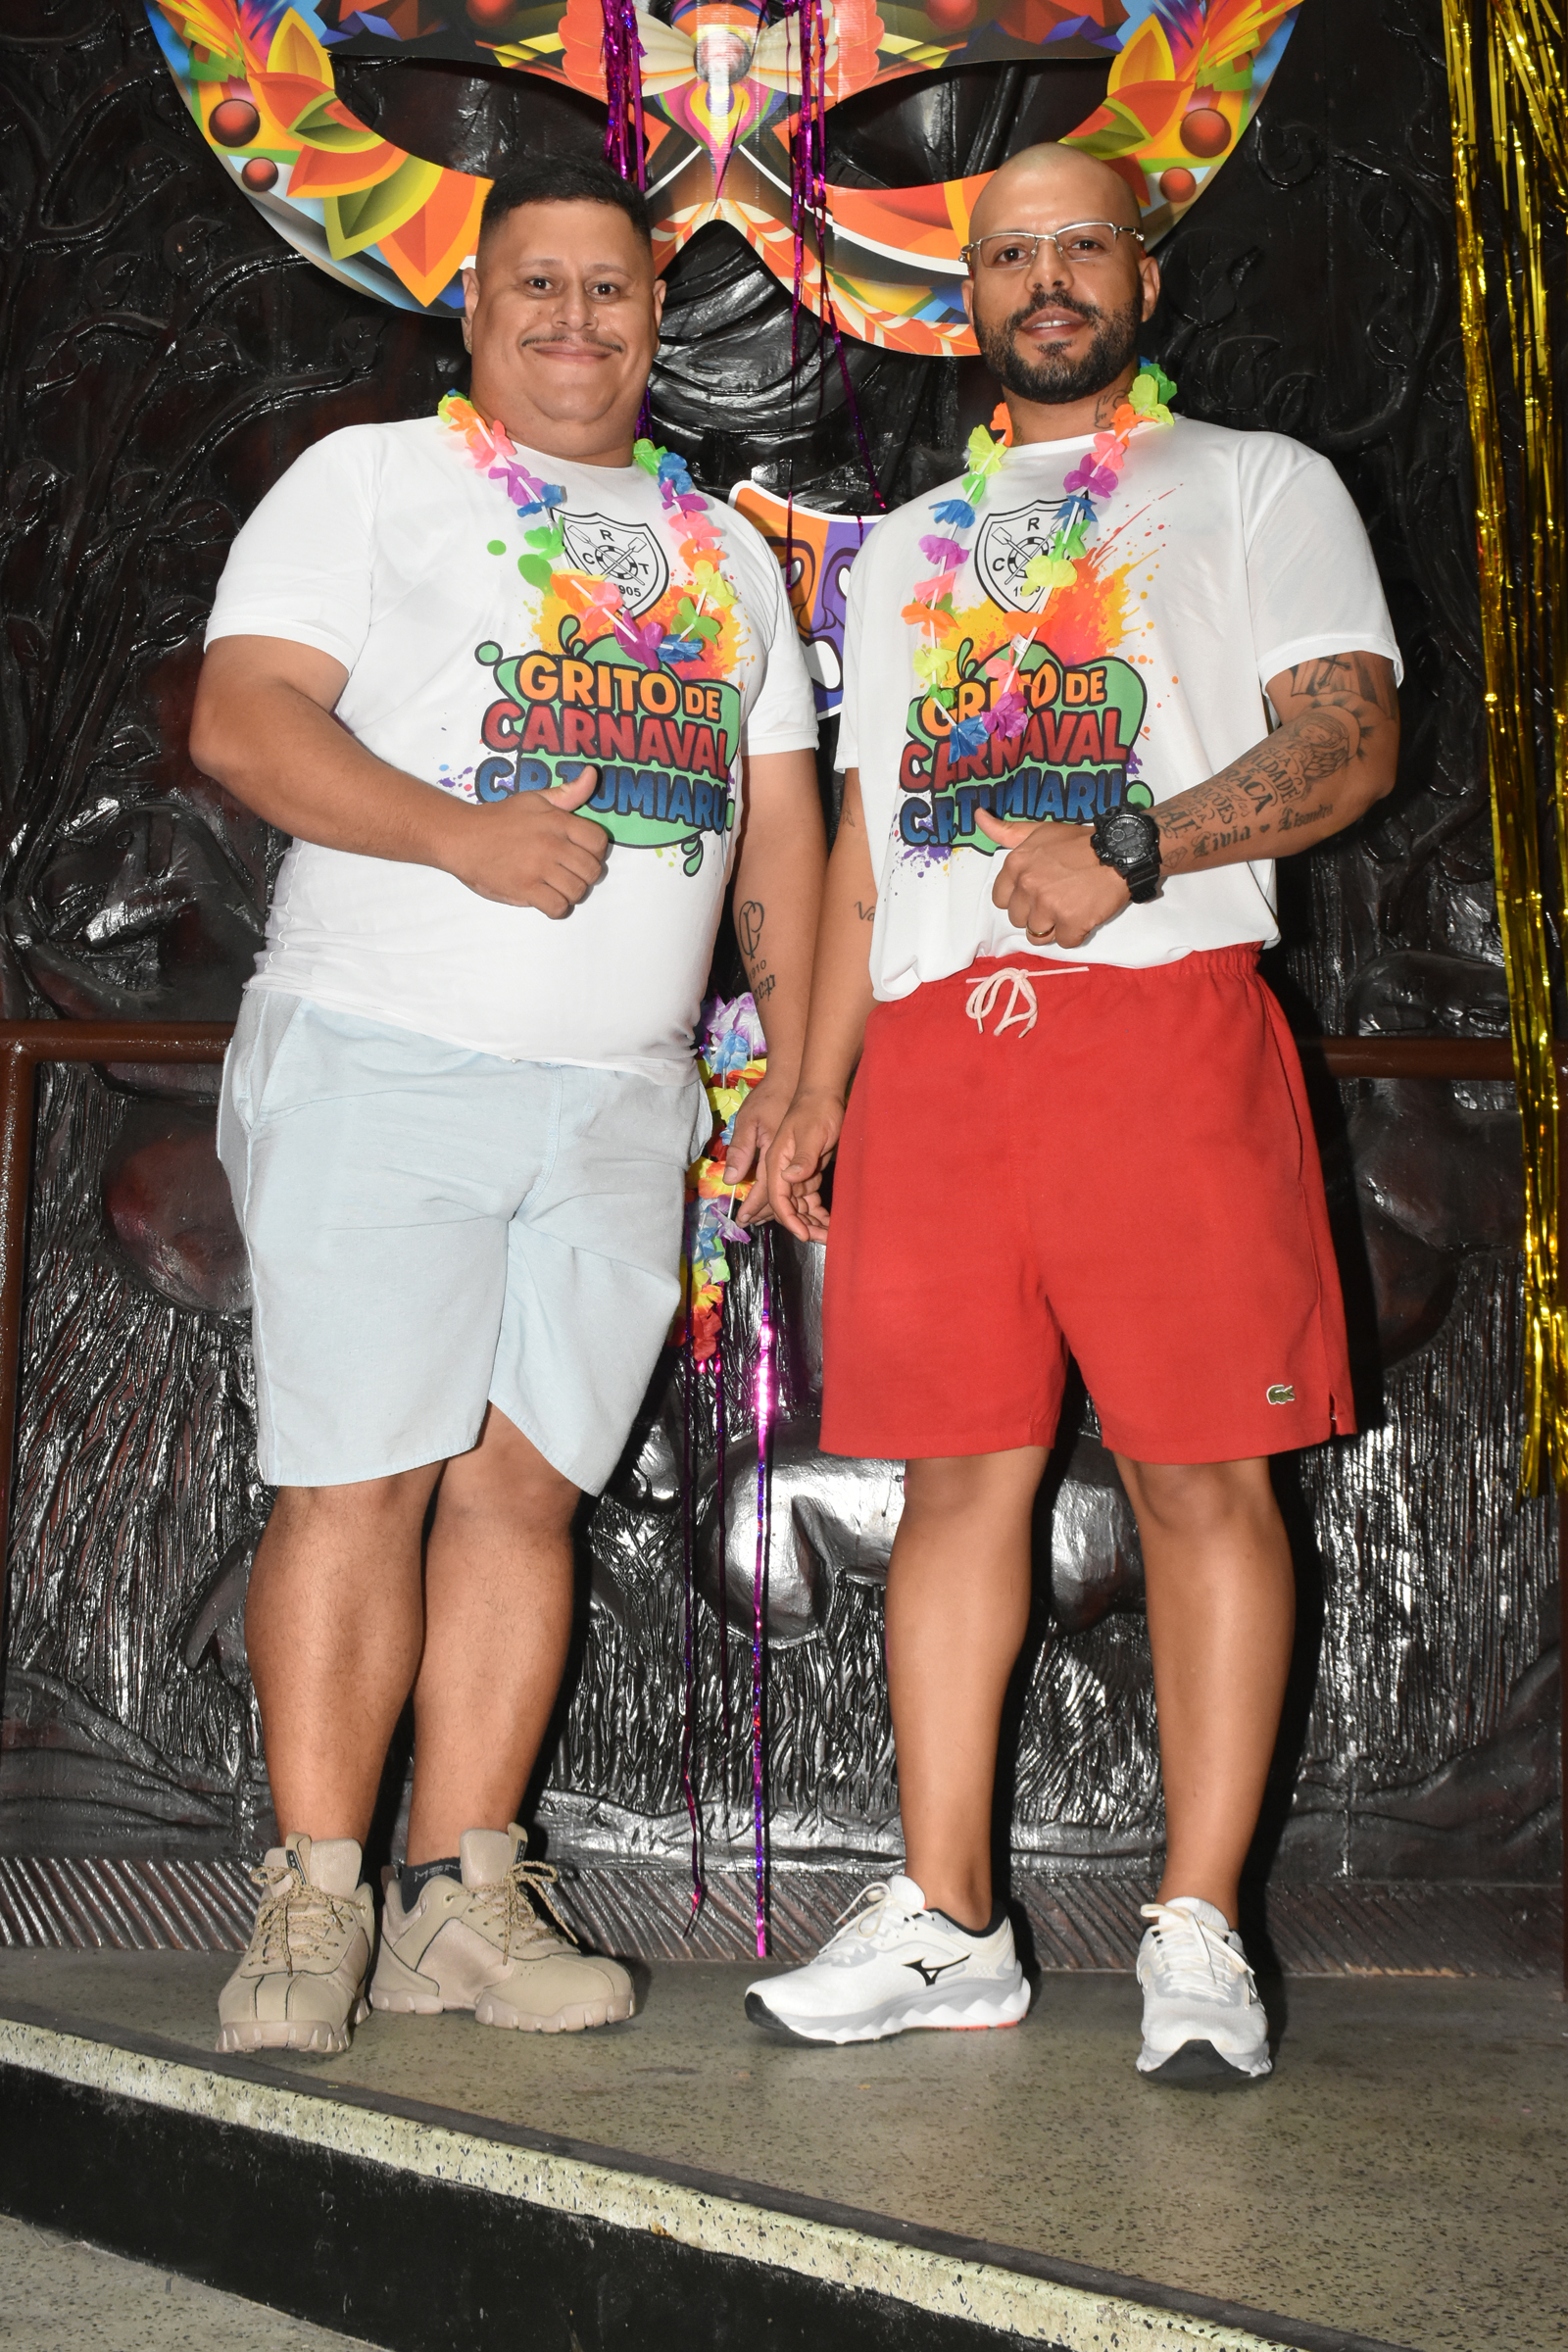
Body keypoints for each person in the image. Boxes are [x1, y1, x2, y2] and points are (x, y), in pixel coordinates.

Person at [752, 142, 1399, 2083]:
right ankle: (949, 1920)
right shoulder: (906, 544)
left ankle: (1198, 1928)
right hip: (940, 1054)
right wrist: (812, 1084)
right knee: (952, 1486)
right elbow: (865, 841)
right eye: (1009, 252)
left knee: (1204, 1478)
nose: (1046, 279)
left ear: (1141, 274)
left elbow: (1348, 739)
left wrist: (1132, 844)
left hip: (1162, 1028)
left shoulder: (1259, 482)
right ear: (967, 293)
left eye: (1080, 246)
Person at [190, 158, 822, 2055]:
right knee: (357, 1478)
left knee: (525, 1495)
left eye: (609, 289)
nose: (574, 319)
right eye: (535, 285)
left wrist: (800, 1069)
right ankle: (312, 1894)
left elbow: (781, 832)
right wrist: (457, 835)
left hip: (624, 1099)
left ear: (657, 319)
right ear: (470, 310)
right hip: (381, 1047)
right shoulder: (371, 482)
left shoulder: (726, 557)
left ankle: (456, 1901)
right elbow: (244, 716)